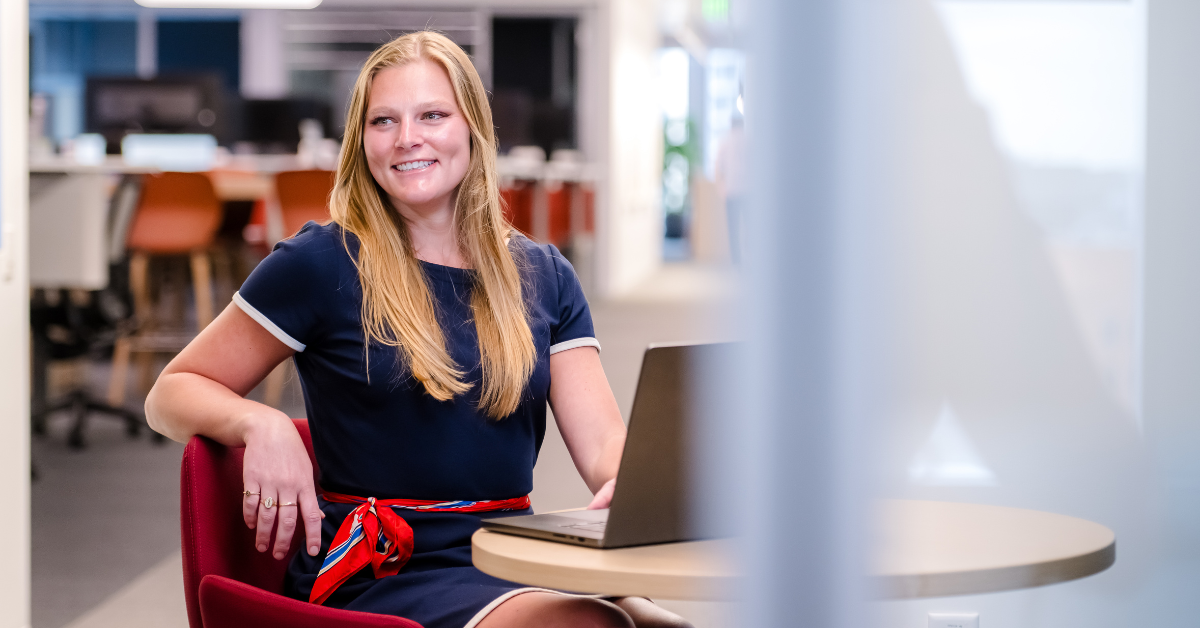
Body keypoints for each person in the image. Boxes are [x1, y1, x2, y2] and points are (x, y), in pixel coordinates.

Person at [146, 31, 691, 628]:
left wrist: (630, 487)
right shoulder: (321, 263)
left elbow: (604, 446)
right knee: (594, 626)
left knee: (671, 627)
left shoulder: (543, 274)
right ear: (361, 140)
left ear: (472, 129)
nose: (408, 139)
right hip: (383, 570)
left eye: (432, 114)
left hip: (512, 552)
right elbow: (170, 393)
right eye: (384, 121)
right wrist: (258, 420)